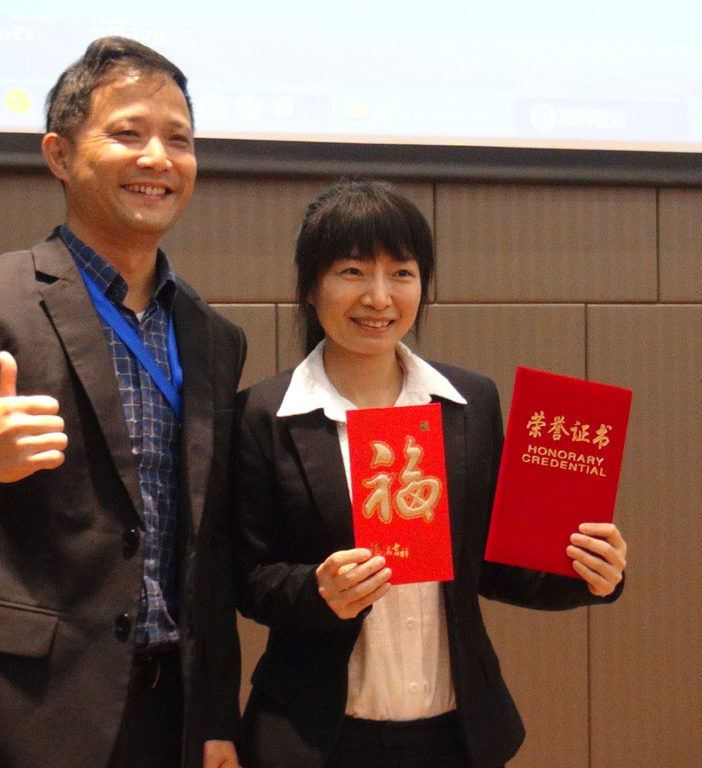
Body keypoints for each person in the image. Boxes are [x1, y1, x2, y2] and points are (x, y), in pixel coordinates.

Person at [0, 37, 244, 768]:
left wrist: (216, 716)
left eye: (179, 139)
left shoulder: (213, 336)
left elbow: (211, 550)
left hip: (171, 716)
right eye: (128, 133)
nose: (158, 158)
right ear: (59, 155)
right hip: (19, 716)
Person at [228, 180, 627, 768]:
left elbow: (492, 561)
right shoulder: (262, 414)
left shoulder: (468, 402)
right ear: (310, 287)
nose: (379, 297)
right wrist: (317, 589)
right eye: (352, 272)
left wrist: (587, 571)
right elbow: (245, 578)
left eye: (402, 273)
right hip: (317, 738)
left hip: (454, 736)